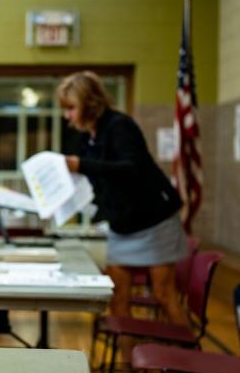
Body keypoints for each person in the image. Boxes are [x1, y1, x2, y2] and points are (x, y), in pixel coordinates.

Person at [57, 71, 188, 325]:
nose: (68, 116)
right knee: (118, 298)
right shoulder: (87, 139)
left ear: (89, 102)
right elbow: (97, 179)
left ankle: (192, 359)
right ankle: (129, 363)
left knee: (163, 294)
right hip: (121, 224)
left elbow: (131, 169)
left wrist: (81, 165)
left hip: (154, 221)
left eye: (71, 108)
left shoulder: (119, 126)